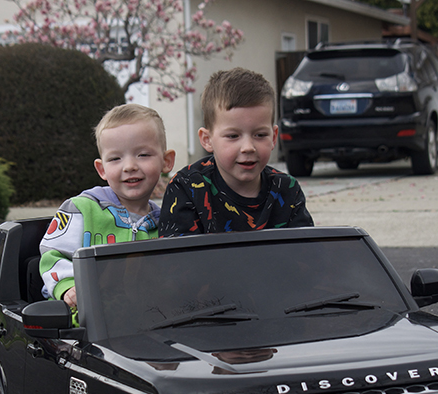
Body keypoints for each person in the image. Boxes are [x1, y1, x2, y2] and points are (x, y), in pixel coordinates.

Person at [39, 103, 176, 307]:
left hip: (150, 322)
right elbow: (53, 255)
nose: (129, 166)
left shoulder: (168, 223)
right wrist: (68, 288)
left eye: (143, 155)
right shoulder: (82, 210)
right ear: (101, 169)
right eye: (115, 158)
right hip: (85, 323)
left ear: (166, 161)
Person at [159, 67, 313, 236]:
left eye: (260, 135)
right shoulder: (187, 188)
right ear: (207, 139)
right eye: (233, 136)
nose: (248, 147)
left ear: (274, 137)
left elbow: (305, 256)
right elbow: (177, 259)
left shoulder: (288, 191)